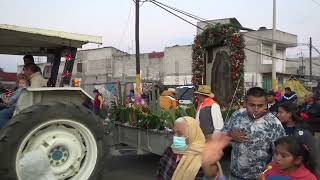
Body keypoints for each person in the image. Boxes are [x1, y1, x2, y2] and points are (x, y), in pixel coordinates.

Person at [223, 87, 286, 180]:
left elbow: (281, 152)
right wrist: (230, 136)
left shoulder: (274, 123)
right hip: (235, 174)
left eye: (260, 105)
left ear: (266, 105)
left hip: (260, 177)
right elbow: (221, 135)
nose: (256, 109)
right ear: (245, 103)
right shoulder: (237, 115)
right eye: (252, 105)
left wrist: (269, 172)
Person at [157, 117, 222, 180]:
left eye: (179, 133)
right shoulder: (170, 151)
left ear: (192, 134)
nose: (175, 137)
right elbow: (160, 172)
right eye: (174, 132)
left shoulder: (204, 160)